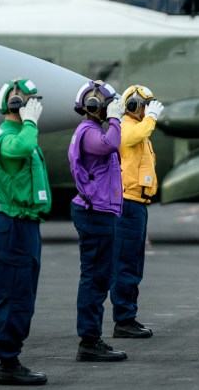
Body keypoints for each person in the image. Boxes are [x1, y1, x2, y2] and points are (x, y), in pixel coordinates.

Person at [0, 78, 50, 386]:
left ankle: (10, 358)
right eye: (27, 100)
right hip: (13, 226)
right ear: (13, 105)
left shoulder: (18, 131)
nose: (33, 105)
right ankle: (8, 363)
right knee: (15, 296)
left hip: (25, 225)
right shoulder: (9, 136)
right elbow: (23, 147)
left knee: (23, 294)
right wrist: (29, 123)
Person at [68, 80, 129, 360]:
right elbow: (111, 143)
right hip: (94, 213)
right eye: (107, 105)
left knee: (99, 277)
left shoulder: (93, 130)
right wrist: (115, 118)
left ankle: (92, 339)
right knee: (94, 277)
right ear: (94, 107)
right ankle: (89, 342)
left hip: (101, 211)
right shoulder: (89, 132)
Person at [113, 84, 165, 339]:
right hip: (127, 203)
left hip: (138, 204)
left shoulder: (141, 132)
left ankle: (128, 317)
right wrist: (152, 118)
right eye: (144, 107)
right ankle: (123, 320)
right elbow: (129, 138)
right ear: (132, 106)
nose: (147, 112)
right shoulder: (126, 127)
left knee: (134, 265)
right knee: (125, 264)